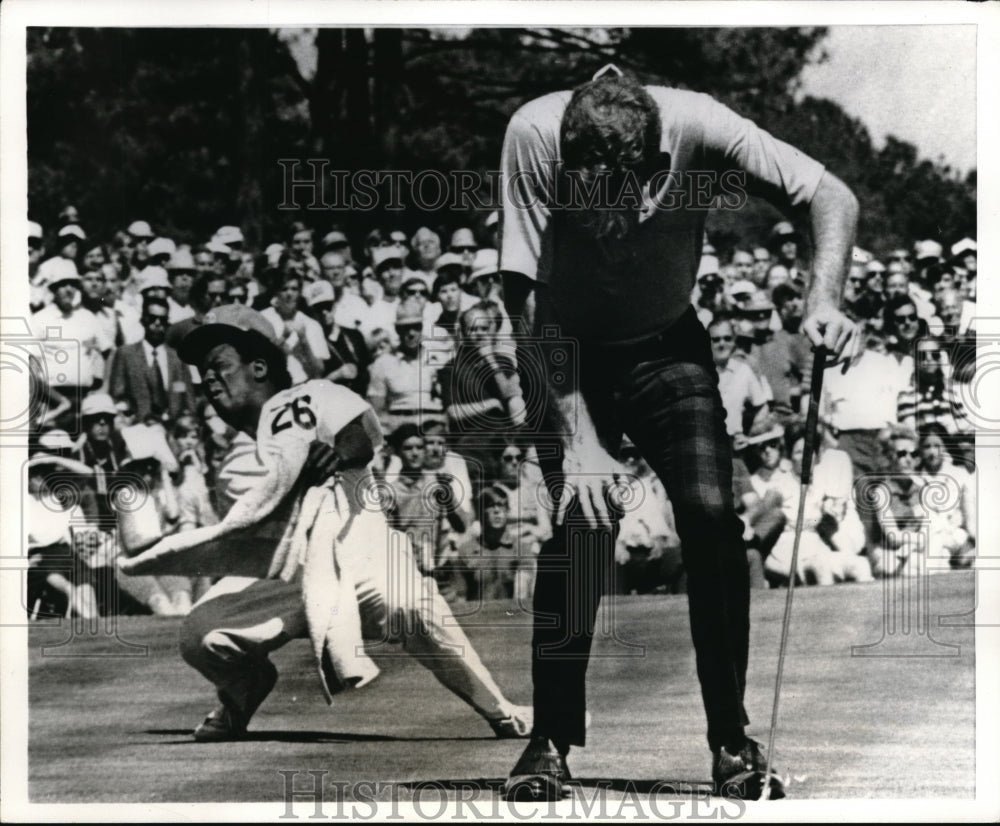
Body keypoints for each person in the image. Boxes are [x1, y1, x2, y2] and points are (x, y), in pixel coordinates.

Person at [498, 69, 857, 801]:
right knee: (580, 527)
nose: (604, 219)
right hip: (562, 353)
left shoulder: (700, 122)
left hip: (666, 348)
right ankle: (549, 740)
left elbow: (830, 194)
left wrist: (824, 297)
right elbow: (523, 305)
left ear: (658, 167)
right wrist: (582, 444)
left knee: (710, 514)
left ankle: (731, 738)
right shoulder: (534, 133)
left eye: (618, 198)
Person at [119, 304, 532, 741]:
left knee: (411, 609)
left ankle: (502, 711)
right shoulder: (232, 461)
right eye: (203, 371)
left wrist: (337, 455)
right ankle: (244, 689)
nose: (209, 379)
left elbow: (357, 438)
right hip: (292, 580)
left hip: (366, 560)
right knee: (200, 633)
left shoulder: (312, 395)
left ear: (259, 366)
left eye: (219, 365)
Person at [105, 296, 197, 424]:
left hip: (172, 428)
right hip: (138, 428)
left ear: (167, 323)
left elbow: (187, 398)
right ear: (143, 320)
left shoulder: (177, 359)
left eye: (162, 320)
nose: (157, 323)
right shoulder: (126, 354)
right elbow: (117, 395)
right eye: (152, 318)